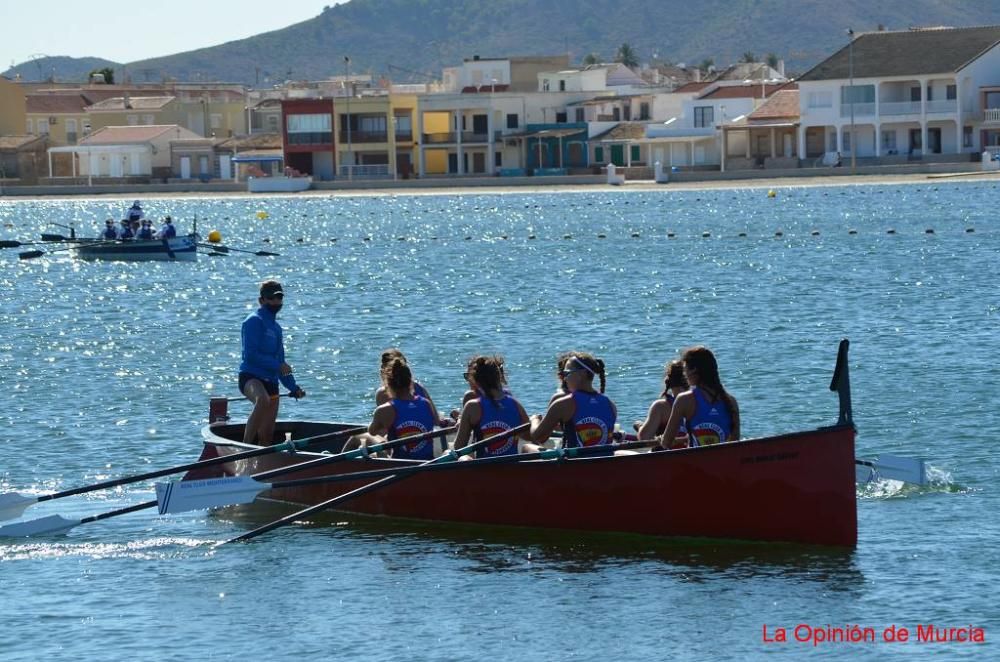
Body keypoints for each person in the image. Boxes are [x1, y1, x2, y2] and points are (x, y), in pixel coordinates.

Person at [239, 280, 305, 445]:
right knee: (263, 400)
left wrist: (293, 388)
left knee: (267, 436)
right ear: (262, 300)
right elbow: (250, 355)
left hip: (271, 382)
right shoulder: (253, 321)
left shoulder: (277, 328)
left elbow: (281, 363)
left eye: (279, 297)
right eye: (271, 298)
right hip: (250, 377)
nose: (276, 302)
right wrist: (277, 366)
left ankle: (261, 462)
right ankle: (244, 448)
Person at [348, 357, 438, 460]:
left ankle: (335, 467)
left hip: (399, 462)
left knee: (356, 437)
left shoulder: (384, 410)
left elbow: (372, 432)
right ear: (410, 382)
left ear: (388, 384)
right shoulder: (426, 403)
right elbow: (437, 422)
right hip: (428, 460)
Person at [654, 346, 740, 450]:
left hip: (694, 463)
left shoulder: (684, 400)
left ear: (693, 370)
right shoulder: (731, 401)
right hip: (723, 462)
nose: (684, 374)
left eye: (685, 368)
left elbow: (666, 443)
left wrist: (661, 440)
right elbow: (735, 444)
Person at [529, 353, 617, 449]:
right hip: (604, 459)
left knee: (527, 447)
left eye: (567, 373)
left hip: (575, 461)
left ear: (581, 374)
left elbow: (536, 437)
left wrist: (534, 420)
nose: (565, 378)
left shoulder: (563, 404)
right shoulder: (610, 404)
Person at [453, 355, 531, 459]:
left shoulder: (473, 406)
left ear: (476, 380)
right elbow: (529, 437)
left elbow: (458, 447)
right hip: (512, 468)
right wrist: (533, 422)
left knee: (461, 458)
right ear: (499, 378)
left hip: (483, 469)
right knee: (528, 447)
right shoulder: (516, 404)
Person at [375, 348, 450, 427]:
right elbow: (436, 421)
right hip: (423, 436)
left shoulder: (382, 393)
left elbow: (384, 427)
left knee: (366, 436)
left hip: (400, 437)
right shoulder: (419, 388)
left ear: (384, 372)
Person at [635, 360, 689, 449]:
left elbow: (644, 438)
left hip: (669, 458)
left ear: (669, 383)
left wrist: (639, 426)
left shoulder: (660, 407)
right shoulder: (698, 402)